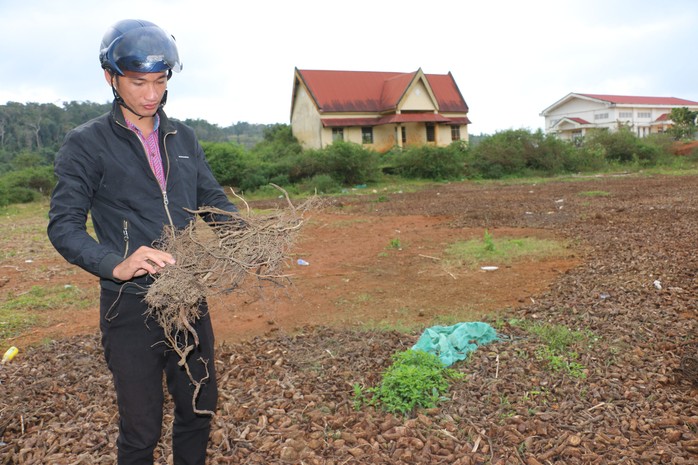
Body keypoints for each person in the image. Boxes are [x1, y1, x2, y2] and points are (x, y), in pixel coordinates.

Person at [47, 19, 236, 465]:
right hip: (129, 306)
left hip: (188, 298)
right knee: (141, 429)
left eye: (160, 81)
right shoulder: (86, 144)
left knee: (197, 411)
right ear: (111, 78)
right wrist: (115, 263)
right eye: (137, 82)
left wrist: (247, 238)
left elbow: (211, 202)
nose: (151, 94)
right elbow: (64, 226)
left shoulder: (182, 137)